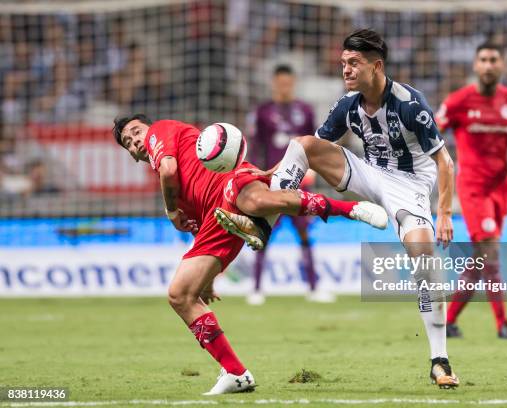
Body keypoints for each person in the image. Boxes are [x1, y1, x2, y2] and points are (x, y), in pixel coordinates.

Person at [218, 29, 459, 388]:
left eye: (354, 63)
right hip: (369, 172)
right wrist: (272, 173)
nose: (345, 70)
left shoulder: (410, 103)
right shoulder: (348, 104)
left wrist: (444, 214)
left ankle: (439, 360)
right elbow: (312, 147)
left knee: (424, 258)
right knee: (302, 144)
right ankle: (262, 220)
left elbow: (445, 163)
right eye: (343, 63)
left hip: (409, 185)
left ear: (376, 66)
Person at [112, 113, 387, 395]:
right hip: (217, 219)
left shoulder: (162, 131)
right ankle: (235, 373)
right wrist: (207, 282)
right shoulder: (179, 193)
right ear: (132, 156)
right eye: (129, 142)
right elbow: (198, 235)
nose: (135, 140)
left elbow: (169, 169)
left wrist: (170, 213)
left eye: (137, 131)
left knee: (256, 201)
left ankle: (349, 209)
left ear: (150, 128)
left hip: (228, 180)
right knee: (180, 294)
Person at [435, 41, 507, 339]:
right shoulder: (459, 101)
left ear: (502, 64)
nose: (488, 65)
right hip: (472, 187)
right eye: (483, 59)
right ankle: (502, 324)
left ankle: (448, 320)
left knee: (482, 255)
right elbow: (431, 133)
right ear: (475, 65)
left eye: (494, 59)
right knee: (491, 249)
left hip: (501, 187)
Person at [248, 64, 333, 305]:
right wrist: (257, 179)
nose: (284, 87)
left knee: (304, 231)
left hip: (299, 183)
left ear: (293, 83)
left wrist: (314, 170)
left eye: (288, 83)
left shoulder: (304, 110)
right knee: (263, 233)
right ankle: (255, 288)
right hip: (272, 184)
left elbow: (312, 145)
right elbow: (257, 146)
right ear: (274, 83)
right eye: (280, 83)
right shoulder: (263, 111)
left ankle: (313, 287)